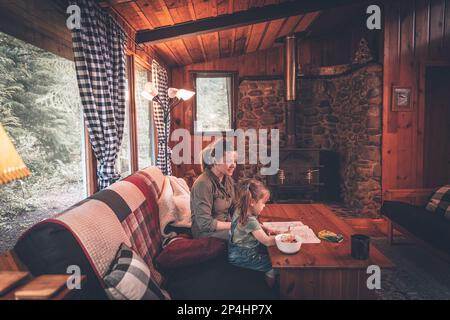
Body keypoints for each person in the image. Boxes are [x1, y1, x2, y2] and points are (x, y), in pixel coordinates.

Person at [228, 178, 278, 286]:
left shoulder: (240, 210)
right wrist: (285, 237)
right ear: (252, 202)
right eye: (263, 203)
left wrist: (265, 228)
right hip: (244, 257)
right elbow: (267, 241)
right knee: (273, 265)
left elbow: (250, 226)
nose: (264, 206)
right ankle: (270, 290)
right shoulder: (250, 220)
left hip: (235, 252)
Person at [190, 138, 237, 240]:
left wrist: (249, 220)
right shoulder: (203, 184)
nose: (233, 165)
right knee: (245, 235)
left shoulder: (227, 179)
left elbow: (234, 207)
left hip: (225, 226)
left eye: (234, 160)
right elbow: (205, 224)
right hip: (205, 233)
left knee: (255, 230)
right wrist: (235, 225)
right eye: (228, 160)